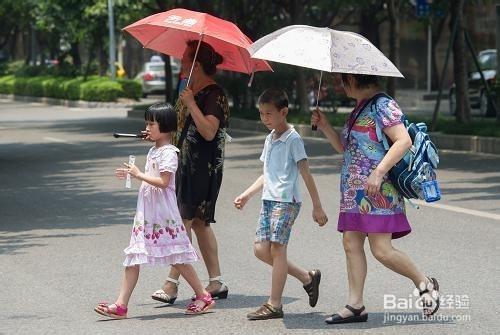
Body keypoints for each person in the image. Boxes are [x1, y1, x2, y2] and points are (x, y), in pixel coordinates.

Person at [311, 73, 440, 324]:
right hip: (354, 192)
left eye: (344, 79)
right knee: (351, 243)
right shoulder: (359, 107)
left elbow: (403, 141)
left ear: (356, 79)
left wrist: (379, 172)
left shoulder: (383, 105)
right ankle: (355, 305)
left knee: (381, 250)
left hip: (377, 190)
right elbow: (344, 147)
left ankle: (425, 284)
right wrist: (325, 125)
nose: (341, 84)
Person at [94, 103, 214, 319]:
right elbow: (151, 176)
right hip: (148, 213)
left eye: (151, 123)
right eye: (146, 123)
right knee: (134, 256)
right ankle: (121, 305)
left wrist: (138, 174)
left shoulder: (169, 152)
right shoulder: (155, 150)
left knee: (176, 256)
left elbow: (163, 181)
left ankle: (203, 295)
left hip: (163, 214)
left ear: (165, 126)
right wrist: (133, 174)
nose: (147, 128)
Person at [234, 89, 328, 320]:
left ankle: (274, 304)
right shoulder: (270, 138)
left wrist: (317, 206)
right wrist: (247, 195)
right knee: (260, 250)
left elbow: (306, 173)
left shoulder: (293, 139)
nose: (264, 118)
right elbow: (266, 174)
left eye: (268, 113)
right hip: (268, 200)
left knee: (277, 250)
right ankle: (307, 278)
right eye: (261, 113)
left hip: (286, 202)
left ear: (283, 112)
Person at [151, 40, 230, 304]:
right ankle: (216, 282)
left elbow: (208, 131)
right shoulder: (189, 91)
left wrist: (191, 103)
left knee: (182, 222)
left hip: (201, 170)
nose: (180, 63)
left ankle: (171, 284)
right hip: (181, 166)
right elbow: (178, 128)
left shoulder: (214, 94)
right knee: (198, 223)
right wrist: (155, 135)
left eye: (184, 59)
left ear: (196, 64)